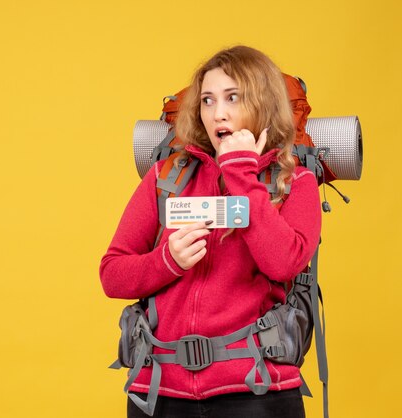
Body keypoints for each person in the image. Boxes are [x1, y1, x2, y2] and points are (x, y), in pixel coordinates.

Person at [99, 46, 321, 418]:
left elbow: (283, 264)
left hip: (256, 392)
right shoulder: (166, 178)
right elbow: (112, 275)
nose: (218, 113)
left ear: (264, 104)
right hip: (158, 393)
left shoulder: (296, 182)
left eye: (234, 98)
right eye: (207, 100)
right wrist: (167, 260)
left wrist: (240, 173)